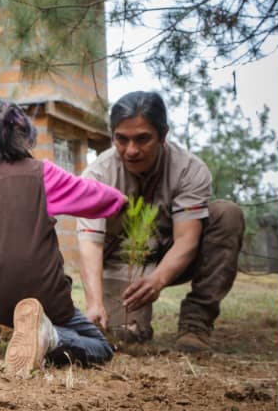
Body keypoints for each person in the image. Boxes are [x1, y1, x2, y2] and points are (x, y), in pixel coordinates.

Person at [0, 98, 127, 375]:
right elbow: (92, 196)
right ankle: (49, 335)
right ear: (21, 136)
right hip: (43, 298)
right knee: (100, 346)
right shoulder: (40, 174)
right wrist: (121, 202)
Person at [76, 91, 245, 353]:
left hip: (171, 256)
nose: (131, 150)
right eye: (121, 139)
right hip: (122, 262)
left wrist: (158, 280)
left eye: (142, 139)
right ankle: (127, 320)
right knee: (126, 337)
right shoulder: (97, 174)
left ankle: (195, 325)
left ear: (163, 135)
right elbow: (90, 243)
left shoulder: (189, 169)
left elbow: (187, 239)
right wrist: (95, 303)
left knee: (227, 214)